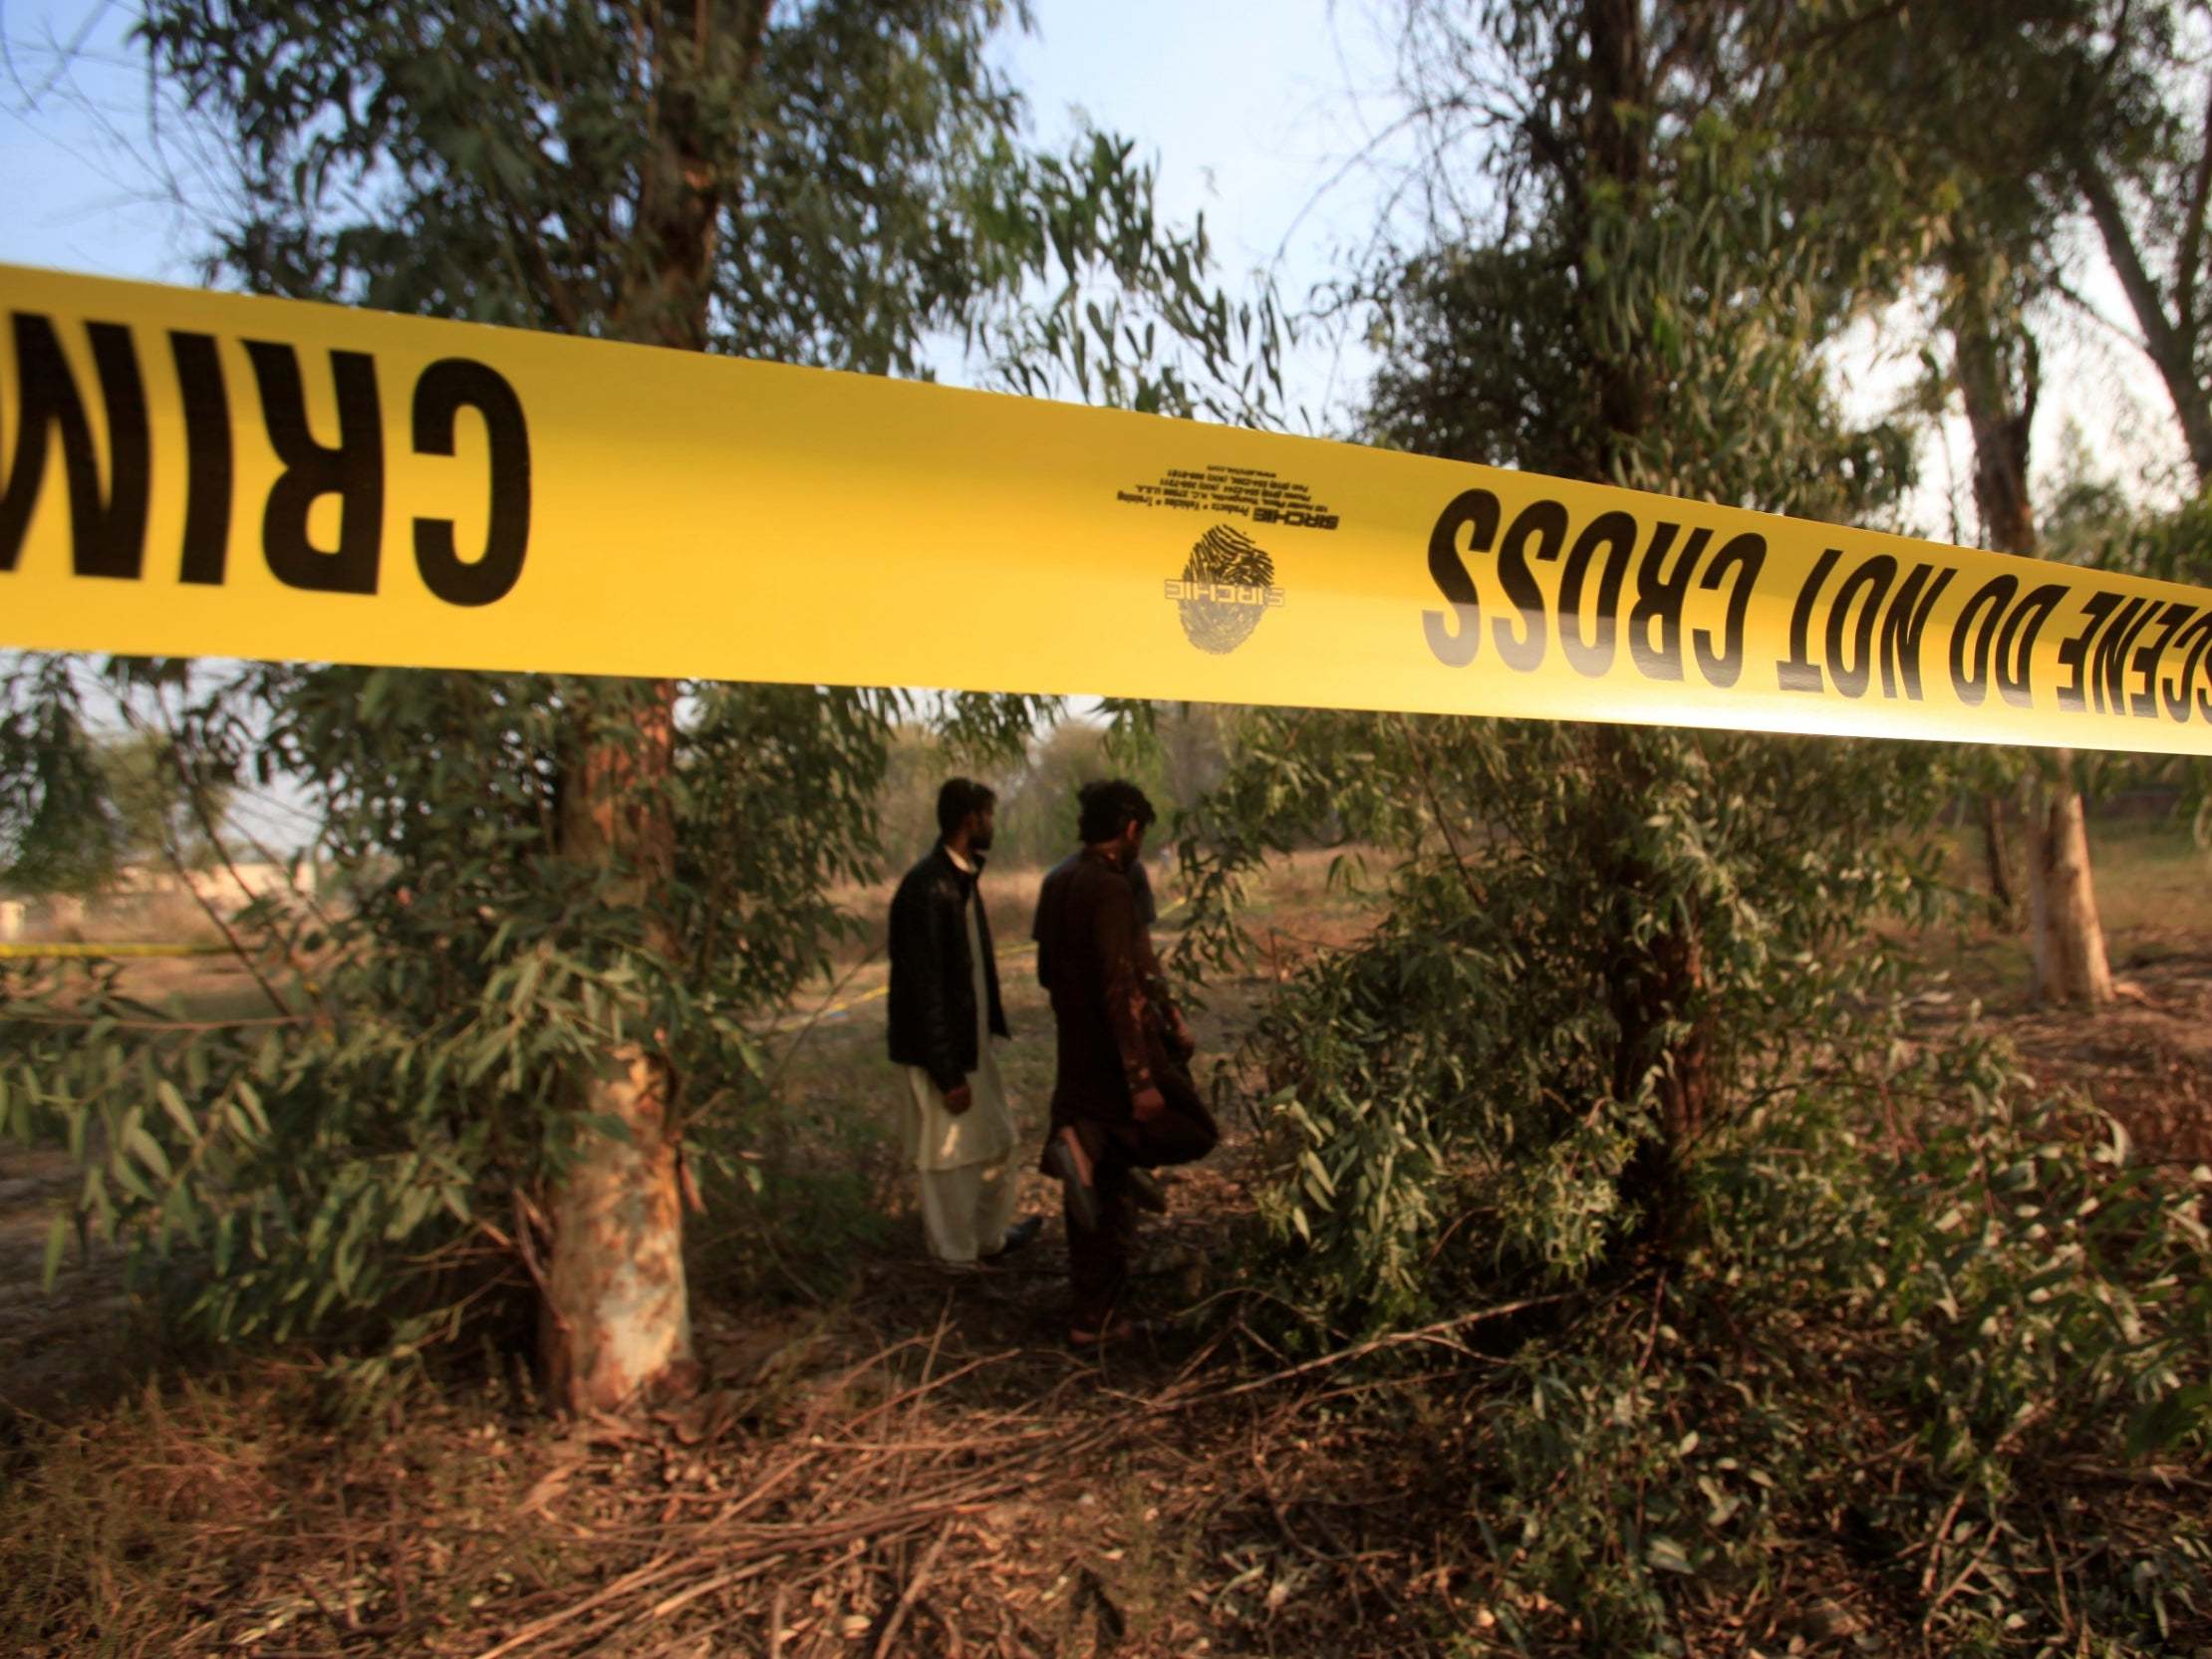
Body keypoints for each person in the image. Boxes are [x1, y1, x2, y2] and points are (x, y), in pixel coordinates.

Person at [1031, 779, 1219, 1347]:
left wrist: (1171, 1009)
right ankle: (1099, 1149)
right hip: (1116, 1049)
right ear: (1131, 829)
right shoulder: (1111, 888)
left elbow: (1050, 972)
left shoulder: (1058, 879)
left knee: (1095, 1194)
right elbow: (1121, 983)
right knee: (1193, 1128)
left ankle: (1094, 1318)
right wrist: (1141, 1077)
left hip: (1076, 1046)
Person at [886, 778, 1042, 1270]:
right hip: (943, 1054)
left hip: (969, 1045)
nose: (992, 825)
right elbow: (923, 989)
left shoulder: (959, 879)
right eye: (987, 816)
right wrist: (946, 1072)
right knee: (948, 1157)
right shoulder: (927, 887)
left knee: (997, 1142)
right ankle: (956, 1258)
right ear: (971, 820)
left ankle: (988, 1240)